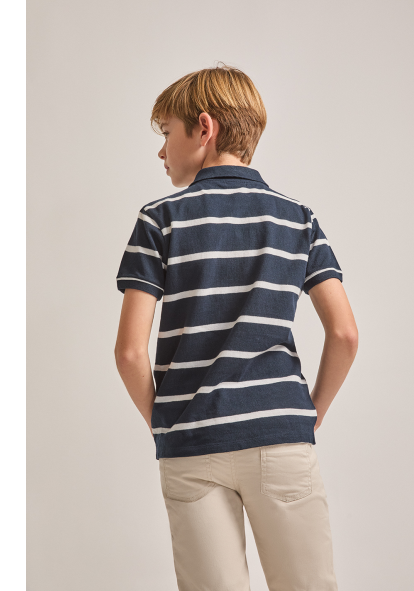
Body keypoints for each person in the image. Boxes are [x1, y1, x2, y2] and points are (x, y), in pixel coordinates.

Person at [114, 64, 358, 591]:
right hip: (280, 436)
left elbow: (130, 352)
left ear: (204, 128)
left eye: (167, 133)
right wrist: (308, 415)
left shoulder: (159, 220)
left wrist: (165, 423)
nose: (161, 151)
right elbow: (344, 334)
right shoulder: (298, 219)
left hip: (192, 442)